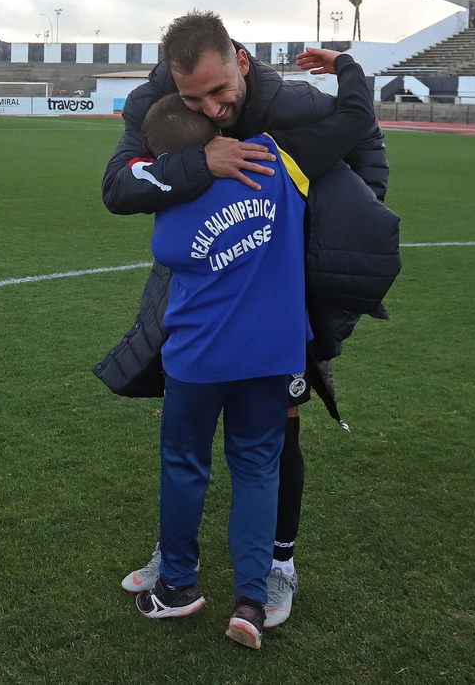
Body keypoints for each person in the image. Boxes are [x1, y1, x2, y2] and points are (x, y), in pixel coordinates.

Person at [101, 11, 392, 630]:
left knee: (265, 438)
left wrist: (356, 220)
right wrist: (201, 163)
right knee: (240, 452)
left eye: (220, 91)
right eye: (194, 101)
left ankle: (271, 566)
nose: (212, 108)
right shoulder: (157, 104)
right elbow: (118, 187)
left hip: (280, 299)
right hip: (229, 315)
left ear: (239, 60)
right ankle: (210, 574)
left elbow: (360, 132)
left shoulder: (290, 108)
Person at [133, 94, 309, 650]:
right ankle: (251, 602)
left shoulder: (175, 205)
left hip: (201, 356)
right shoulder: (273, 157)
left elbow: (168, 247)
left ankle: (178, 585)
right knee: (258, 468)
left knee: (185, 464)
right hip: (273, 351)